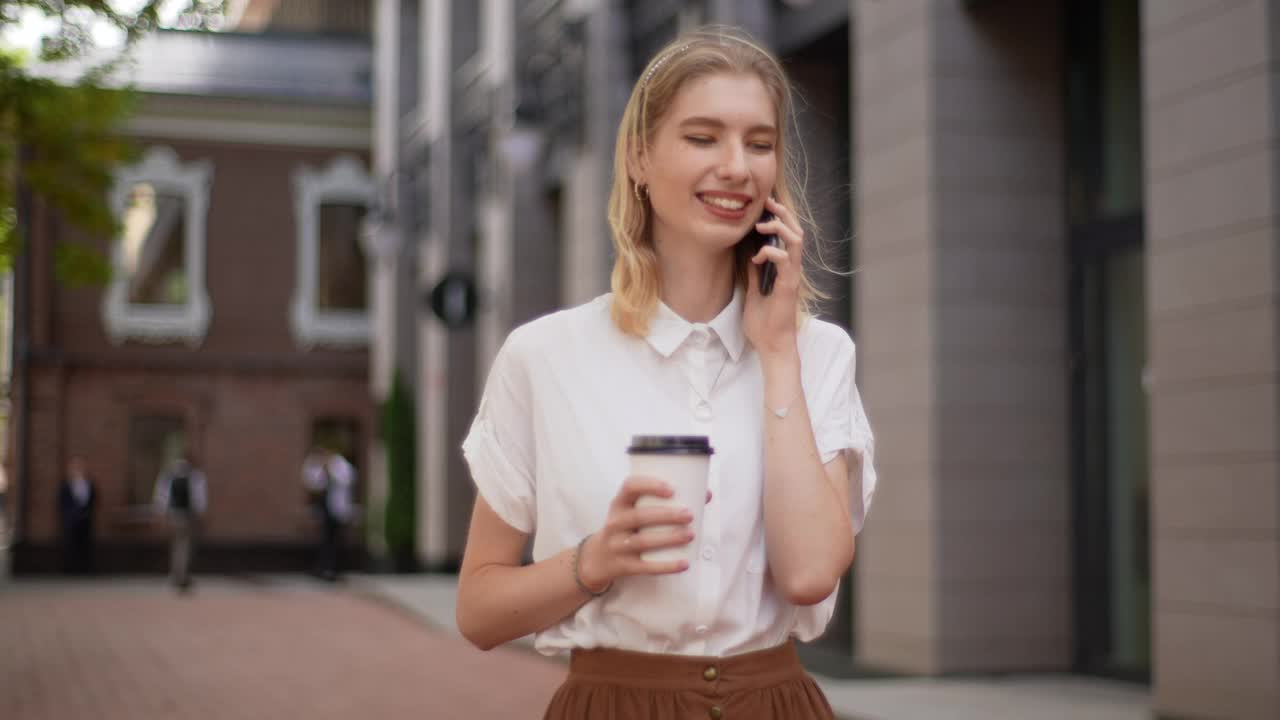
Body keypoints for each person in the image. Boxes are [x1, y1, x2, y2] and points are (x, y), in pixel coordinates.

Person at [455, 26, 877, 720]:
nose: (737, 167)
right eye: (704, 137)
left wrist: (776, 355)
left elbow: (808, 575)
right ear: (639, 158)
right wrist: (592, 561)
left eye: (760, 143)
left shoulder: (818, 352)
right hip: (612, 704)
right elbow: (478, 610)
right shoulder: (544, 357)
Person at [301, 445, 355, 581]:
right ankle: (324, 568)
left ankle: (335, 569)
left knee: (336, 539)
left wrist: (329, 470)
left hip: (338, 509)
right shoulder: (317, 463)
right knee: (326, 539)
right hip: (326, 507)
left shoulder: (340, 464)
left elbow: (346, 480)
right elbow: (313, 482)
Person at [153, 456, 207, 592]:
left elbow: (161, 496)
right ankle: (181, 575)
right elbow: (199, 498)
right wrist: (200, 513)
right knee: (183, 546)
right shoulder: (194, 477)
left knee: (179, 546)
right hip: (187, 516)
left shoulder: (170, 476)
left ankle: (178, 574)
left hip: (175, 515)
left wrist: (161, 513)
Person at [58, 457, 97, 574]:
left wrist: (87, 513)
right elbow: (62, 502)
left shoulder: (89, 484)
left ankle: (85, 569)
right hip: (71, 521)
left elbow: (94, 499)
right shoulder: (66, 485)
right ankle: (70, 569)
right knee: (70, 545)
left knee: (85, 545)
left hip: (85, 520)